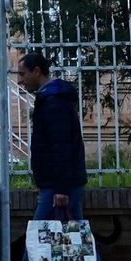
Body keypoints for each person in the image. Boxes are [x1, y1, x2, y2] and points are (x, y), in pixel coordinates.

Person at [16, 52, 87, 222]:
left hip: (57, 186)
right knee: (74, 233)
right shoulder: (50, 99)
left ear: (36, 71)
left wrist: (61, 189)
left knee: (38, 234)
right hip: (59, 184)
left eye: (23, 74)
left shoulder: (54, 102)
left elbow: (61, 146)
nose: (20, 80)